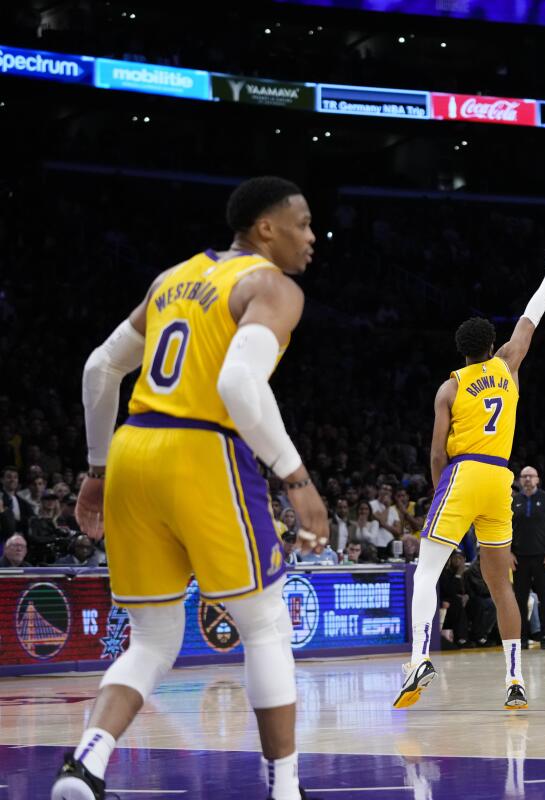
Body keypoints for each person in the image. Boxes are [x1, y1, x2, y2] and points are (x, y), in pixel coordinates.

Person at [60, 176, 326, 800]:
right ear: (265, 228)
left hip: (131, 449)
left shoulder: (171, 279)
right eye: (304, 223)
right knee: (263, 626)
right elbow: (239, 386)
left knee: (153, 638)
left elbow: (101, 368)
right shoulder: (271, 286)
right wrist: (297, 477)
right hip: (201, 449)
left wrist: (97, 471)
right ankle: (285, 790)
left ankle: (85, 765)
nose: (312, 238)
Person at [396, 233, 545, 713]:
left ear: (461, 352)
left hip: (461, 476)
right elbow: (531, 318)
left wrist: (443, 499)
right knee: (502, 586)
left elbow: (437, 454)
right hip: (501, 480)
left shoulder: (450, 387)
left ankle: (418, 660)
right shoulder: (509, 364)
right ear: (492, 345)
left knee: (426, 571)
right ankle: (515, 679)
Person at [511, 466, 545, 649]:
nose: (527, 479)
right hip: (519, 558)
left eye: (530, 476)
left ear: (537, 479)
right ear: (519, 480)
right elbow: (505, 529)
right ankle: (523, 638)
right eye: (524, 476)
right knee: (520, 599)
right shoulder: (513, 501)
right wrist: (509, 552)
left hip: (543, 557)